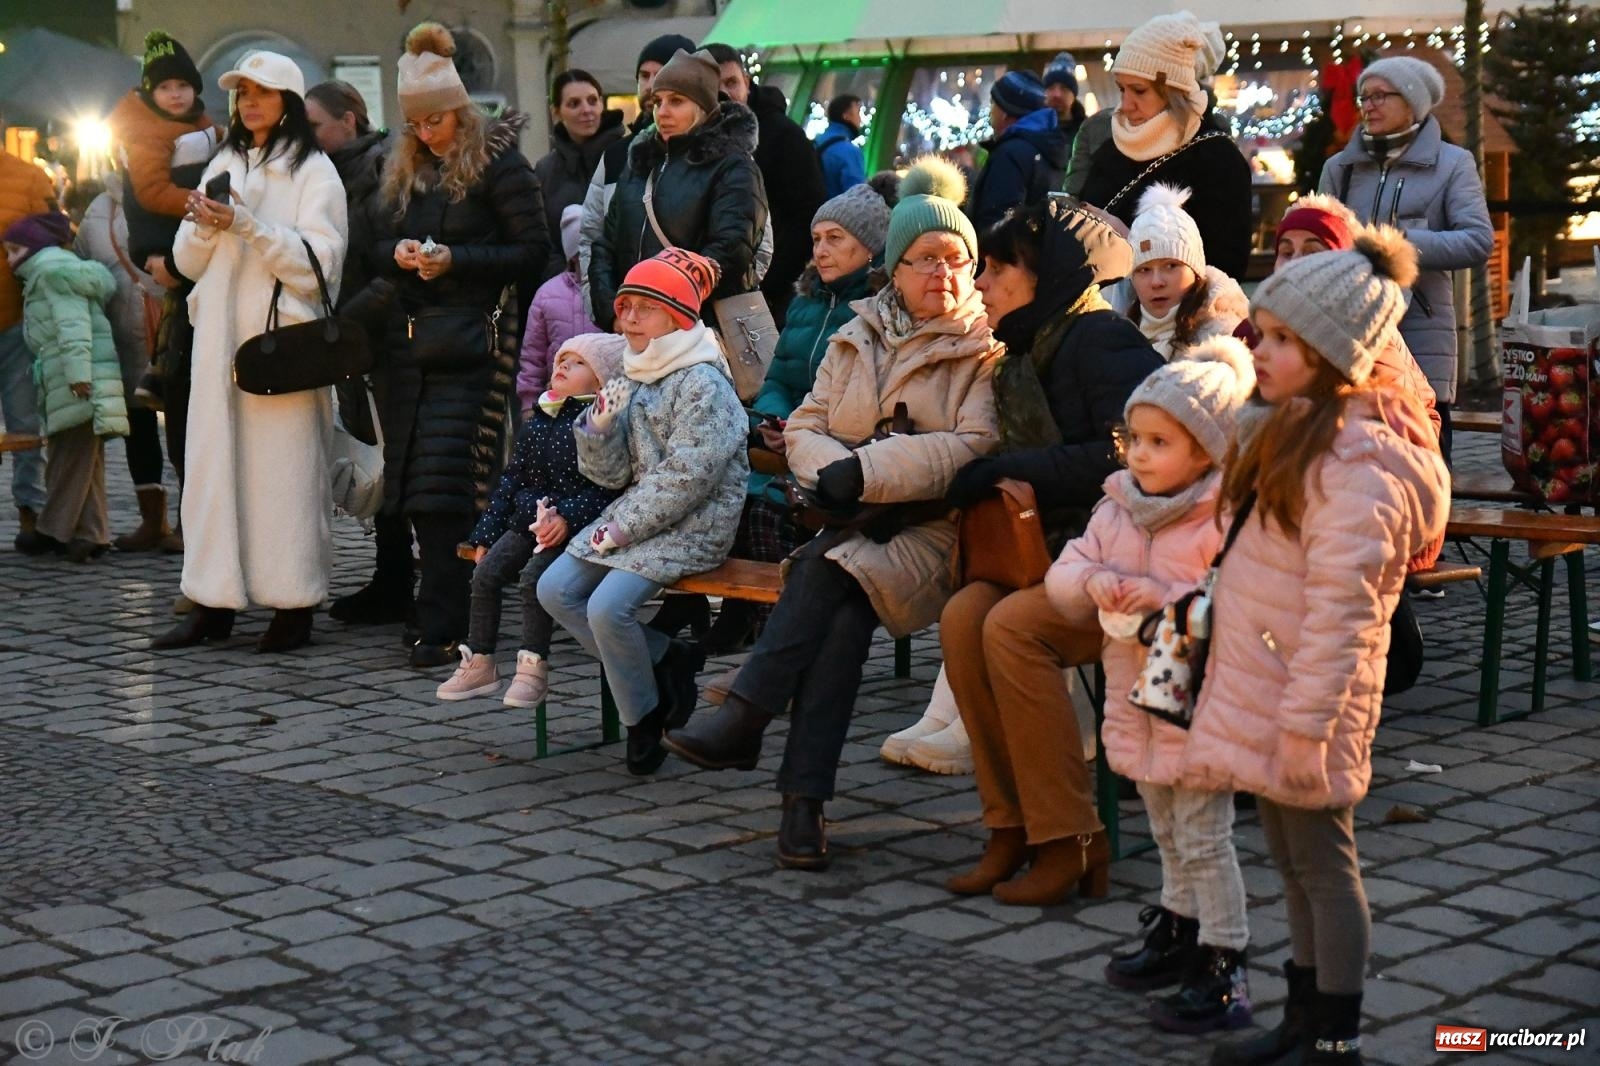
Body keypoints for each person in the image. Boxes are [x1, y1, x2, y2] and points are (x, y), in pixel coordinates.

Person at [661, 159, 1002, 871]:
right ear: (895, 269)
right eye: (923, 260)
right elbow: (809, 422)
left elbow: (973, 444)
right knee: (839, 620)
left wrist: (865, 470)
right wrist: (833, 471)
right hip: (851, 525)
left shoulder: (984, 345)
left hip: (934, 531)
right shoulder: (859, 333)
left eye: (955, 260)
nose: (940, 274)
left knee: (823, 576)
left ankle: (751, 722)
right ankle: (800, 804)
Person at [1188, 228, 1449, 1066]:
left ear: (1333, 356)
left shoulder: (1358, 466)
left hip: (1313, 705)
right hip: (1267, 688)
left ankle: (1335, 1032)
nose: (1259, 351)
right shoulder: (1287, 432)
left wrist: (1306, 723)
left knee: (1325, 867)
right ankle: (1301, 1016)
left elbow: (1344, 617)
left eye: (1282, 340)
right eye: (1261, 333)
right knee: (1288, 863)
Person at [933, 197, 1162, 904]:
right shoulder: (1028, 350)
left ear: (1042, 277)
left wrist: (1013, 471)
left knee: (1012, 629)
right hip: (1054, 552)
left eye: (998, 270)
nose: (982, 284)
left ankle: (1069, 837)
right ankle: (1011, 828)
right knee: (964, 618)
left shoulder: (1100, 341)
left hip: (1133, 561)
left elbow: (1126, 458)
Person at [1048, 338, 1256, 1031]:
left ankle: (1225, 959)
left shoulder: (1226, 518)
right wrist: (1095, 582)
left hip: (1200, 705)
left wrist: (1151, 597)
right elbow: (1065, 572)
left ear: (1207, 450)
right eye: (1133, 438)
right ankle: (1178, 924)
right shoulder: (1118, 507)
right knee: (1165, 825)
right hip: (1140, 700)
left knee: (1203, 833)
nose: (1138, 454)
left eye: (1159, 442)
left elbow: (1232, 603)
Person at [356, 22, 549, 668]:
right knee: (414, 487)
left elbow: (532, 251)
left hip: (473, 343)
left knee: (449, 487)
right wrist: (402, 255)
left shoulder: (500, 162)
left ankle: (449, 621)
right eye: (417, 125)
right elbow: (373, 249)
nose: (427, 133)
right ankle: (436, 611)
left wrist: (456, 260)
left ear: (460, 113)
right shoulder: (404, 168)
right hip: (411, 346)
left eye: (437, 121)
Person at [150, 50, 347, 653]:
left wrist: (247, 226)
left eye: (261, 92)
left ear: (287, 100)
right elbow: (186, 262)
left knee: (284, 476)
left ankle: (294, 603)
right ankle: (213, 599)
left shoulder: (315, 172)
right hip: (217, 348)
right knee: (212, 474)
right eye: (241, 93)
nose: (249, 103)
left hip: (279, 348)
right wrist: (204, 224)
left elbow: (320, 266)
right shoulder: (227, 158)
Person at [539, 248, 748, 775]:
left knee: (608, 608)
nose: (627, 317)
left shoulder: (703, 382)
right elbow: (608, 476)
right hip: (634, 519)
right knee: (553, 589)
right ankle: (666, 656)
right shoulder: (630, 374)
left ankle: (643, 719)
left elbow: (690, 477)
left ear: (677, 316)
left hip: (695, 524)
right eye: (624, 306)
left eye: (643, 308)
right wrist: (596, 431)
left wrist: (620, 527)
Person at [698, 181, 891, 667]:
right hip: (788, 434)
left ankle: (775, 643)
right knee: (730, 485)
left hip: (840, 442)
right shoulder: (806, 300)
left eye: (835, 239)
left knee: (767, 506)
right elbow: (779, 375)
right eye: (817, 239)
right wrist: (772, 416)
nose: (821, 251)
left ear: (869, 247)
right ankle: (742, 614)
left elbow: (867, 397)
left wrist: (803, 428)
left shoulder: (878, 309)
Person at [1318, 55, 1493, 463]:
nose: (1369, 105)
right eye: (1364, 96)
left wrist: (1400, 244)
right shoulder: (1340, 168)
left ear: (1412, 102)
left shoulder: (1452, 164)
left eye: (1381, 95)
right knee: (1356, 463)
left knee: (1427, 453)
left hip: (1422, 332)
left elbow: (1477, 240)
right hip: (1351, 333)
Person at [439, 333, 625, 706]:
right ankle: (479, 660)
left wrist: (567, 518)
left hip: (573, 526)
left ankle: (532, 666)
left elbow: (609, 488)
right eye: (561, 359)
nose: (562, 366)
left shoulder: (602, 425)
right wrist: (485, 534)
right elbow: (512, 478)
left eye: (577, 363)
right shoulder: (541, 416)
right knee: (486, 573)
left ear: (602, 379)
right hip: (527, 519)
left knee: (532, 580)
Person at [108, 31, 222, 562]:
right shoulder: (145, 133)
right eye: (167, 87)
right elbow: (151, 192)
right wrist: (204, 205)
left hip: (194, 261)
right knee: (178, 405)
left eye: (183, 86)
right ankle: (179, 520)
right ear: (151, 92)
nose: (176, 95)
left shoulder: (201, 123)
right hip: (171, 253)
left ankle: (191, 520)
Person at [590, 48, 768, 334]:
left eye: (677, 101)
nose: (663, 112)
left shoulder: (733, 166)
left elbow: (730, 251)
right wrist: (614, 311)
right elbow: (605, 245)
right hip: (634, 330)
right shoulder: (639, 164)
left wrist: (664, 308)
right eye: (658, 101)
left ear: (703, 107)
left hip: (697, 334)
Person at [1077, 12, 1251, 281]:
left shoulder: (1217, 159)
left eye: (1139, 90)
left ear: (1174, 92)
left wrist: (1130, 240)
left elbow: (1226, 267)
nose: (1125, 104)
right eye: (1121, 89)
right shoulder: (1111, 149)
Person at [4, 212, 128, 561]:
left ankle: (51, 529)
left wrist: (78, 376)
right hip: (70, 380)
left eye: (14, 250)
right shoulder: (49, 273)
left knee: (69, 455)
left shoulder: (51, 274)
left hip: (77, 381)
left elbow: (73, 326)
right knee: (85, 459)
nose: (10, 259)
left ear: (35, 247)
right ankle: (93, 534)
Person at [72, 177, 169, 551]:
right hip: (123, 337)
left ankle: (190, 524)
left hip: (173, 326)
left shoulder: (174, 190)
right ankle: (152, 519)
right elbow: (84, 263)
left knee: (185, 427)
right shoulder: (101, 208)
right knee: (138, 426)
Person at [705, 43, 827, 328]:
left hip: (769, 297)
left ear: (747, 83)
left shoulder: (784, 136)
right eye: (714, 84)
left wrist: (768, 284)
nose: (725, 92)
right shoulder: (690, 142)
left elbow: (807, 215)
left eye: (732, 82)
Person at [577, 33, 696, 318]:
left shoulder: (721, 156)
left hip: (691, 320)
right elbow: (592, 238)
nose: (651, 84)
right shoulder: (618, 155)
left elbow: (750, 248)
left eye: (662, 72)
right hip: (628, 319)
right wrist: (604, 309)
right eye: (645, 75)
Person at [2, 121, 65, 550]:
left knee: (24, 421)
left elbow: (55, 234)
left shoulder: (27, 175)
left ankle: (32, 512)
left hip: (14, 317)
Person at [1111, 183, 1247, 361]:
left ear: (1196, 270)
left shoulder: (1224, 341)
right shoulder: (1118, 336)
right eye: (1144, 269)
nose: (1156, 282)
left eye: (1171, 266)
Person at [534, 69, 626, 282]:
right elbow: (540, 240)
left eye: (592, 101)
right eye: (574, 104)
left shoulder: (628, 156)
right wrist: (566, 279)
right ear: (556, 112)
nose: (586, 110)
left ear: (602, 104)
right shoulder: (545, 171)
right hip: (564, 291)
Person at [518, 205, 599, 413]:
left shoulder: (611, 291)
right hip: (554, 406)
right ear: (571, 255)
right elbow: (532, 358)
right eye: (581, 252)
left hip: (603, 407)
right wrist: (529, 407)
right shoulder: (546, 295)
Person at [968, 70, 1068, 231]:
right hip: (1037, 253)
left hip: (1003, 254)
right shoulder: (1047, 146)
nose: (990, 110)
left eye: (993, 103)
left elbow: (998, 222)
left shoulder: (1011, 154)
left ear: (1005, 112)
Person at [816, 95, 868, 200]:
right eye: (858, 113)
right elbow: (857, 198)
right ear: (846, 116)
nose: (860, 119)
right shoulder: (849, 152)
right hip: (833, 214)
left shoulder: (815, 143)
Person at [1043, 52, 1087, 146]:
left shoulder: (1089, 132)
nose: (1057, 94)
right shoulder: (1032, 130)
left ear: (1073, 95)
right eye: (1051, 88)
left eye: (1064, 88)